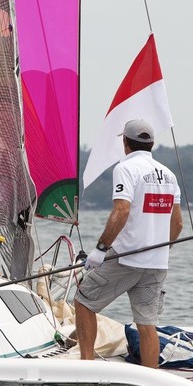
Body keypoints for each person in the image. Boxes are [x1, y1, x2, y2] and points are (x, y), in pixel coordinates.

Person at [75, 119, 183, 369]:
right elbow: (177, 224)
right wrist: (160, 251)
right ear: (152, 143)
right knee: (147, 324)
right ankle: (151, 381)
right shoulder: (169, 174)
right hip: (157, 263)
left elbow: (121, 211)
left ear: (125, 143)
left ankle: (86, 366)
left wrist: (100, 250)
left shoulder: (125, 168)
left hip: (126, 258)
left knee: (83, 301)